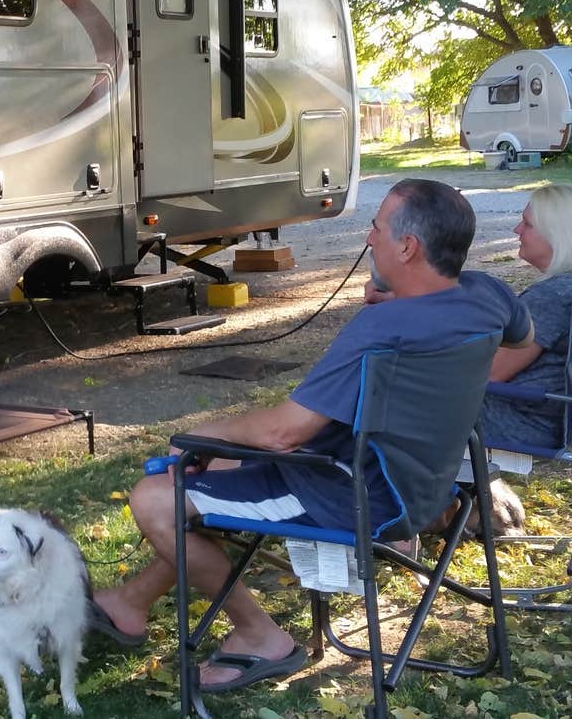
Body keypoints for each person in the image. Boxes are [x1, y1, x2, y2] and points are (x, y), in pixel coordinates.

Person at [87, 179, 532, 693]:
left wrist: (196, 435)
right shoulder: (489, 296)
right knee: (218, 469)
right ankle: (131, 603)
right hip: (429, 485)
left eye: (376, 228)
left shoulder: (382, 329)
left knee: (157, 500)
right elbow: (523, 345)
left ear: (407, 247)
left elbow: (283, 432)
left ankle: (260, 637)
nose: (368, 239)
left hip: (355, 494)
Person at [480, 182, 572, 452]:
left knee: (396, 402)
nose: (517, 230)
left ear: (558, 235)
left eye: (527, 224)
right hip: (552, 418)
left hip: (521, 421)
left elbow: (489, 371)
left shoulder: (554, 296)